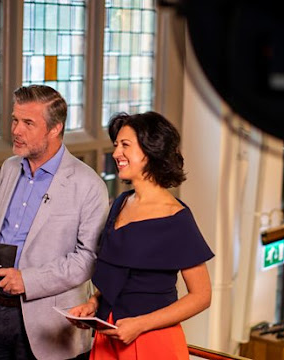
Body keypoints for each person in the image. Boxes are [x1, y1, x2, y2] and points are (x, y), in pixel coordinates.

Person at [0, 85, 109, 360]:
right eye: (15, 120)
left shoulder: (88, 184)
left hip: (48, 326)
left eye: (28, 123)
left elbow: (88, 259)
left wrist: (27, 280)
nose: (16, 130)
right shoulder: (9, 167)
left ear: (54, 129)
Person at [67, 111, 214, 359]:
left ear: (151, 151)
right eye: (116, 145)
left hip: (152, 340)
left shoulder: (176, 218)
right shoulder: (121, 203)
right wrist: (94, 304)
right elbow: (116, 272)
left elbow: (202, 296)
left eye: (125, 145)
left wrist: (140, 324)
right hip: (108, 334)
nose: (116, 154)